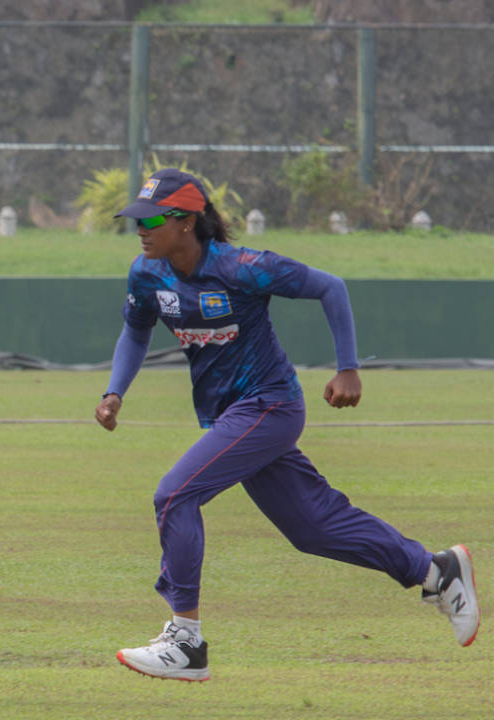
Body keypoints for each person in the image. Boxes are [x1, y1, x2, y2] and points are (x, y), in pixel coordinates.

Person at [96, 168, 480, 682]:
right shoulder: (147, 274)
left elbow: (330, 287)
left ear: (186, 222)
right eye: (135, 220)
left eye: (150, 219)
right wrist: (114, 390)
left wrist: (348, 367)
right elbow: (135, 332)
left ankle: (185, 641)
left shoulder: (242, 267)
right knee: (312, 527)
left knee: (175, 495)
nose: (139, 229)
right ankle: (435, 570)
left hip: (269, 406)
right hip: (232, 417)